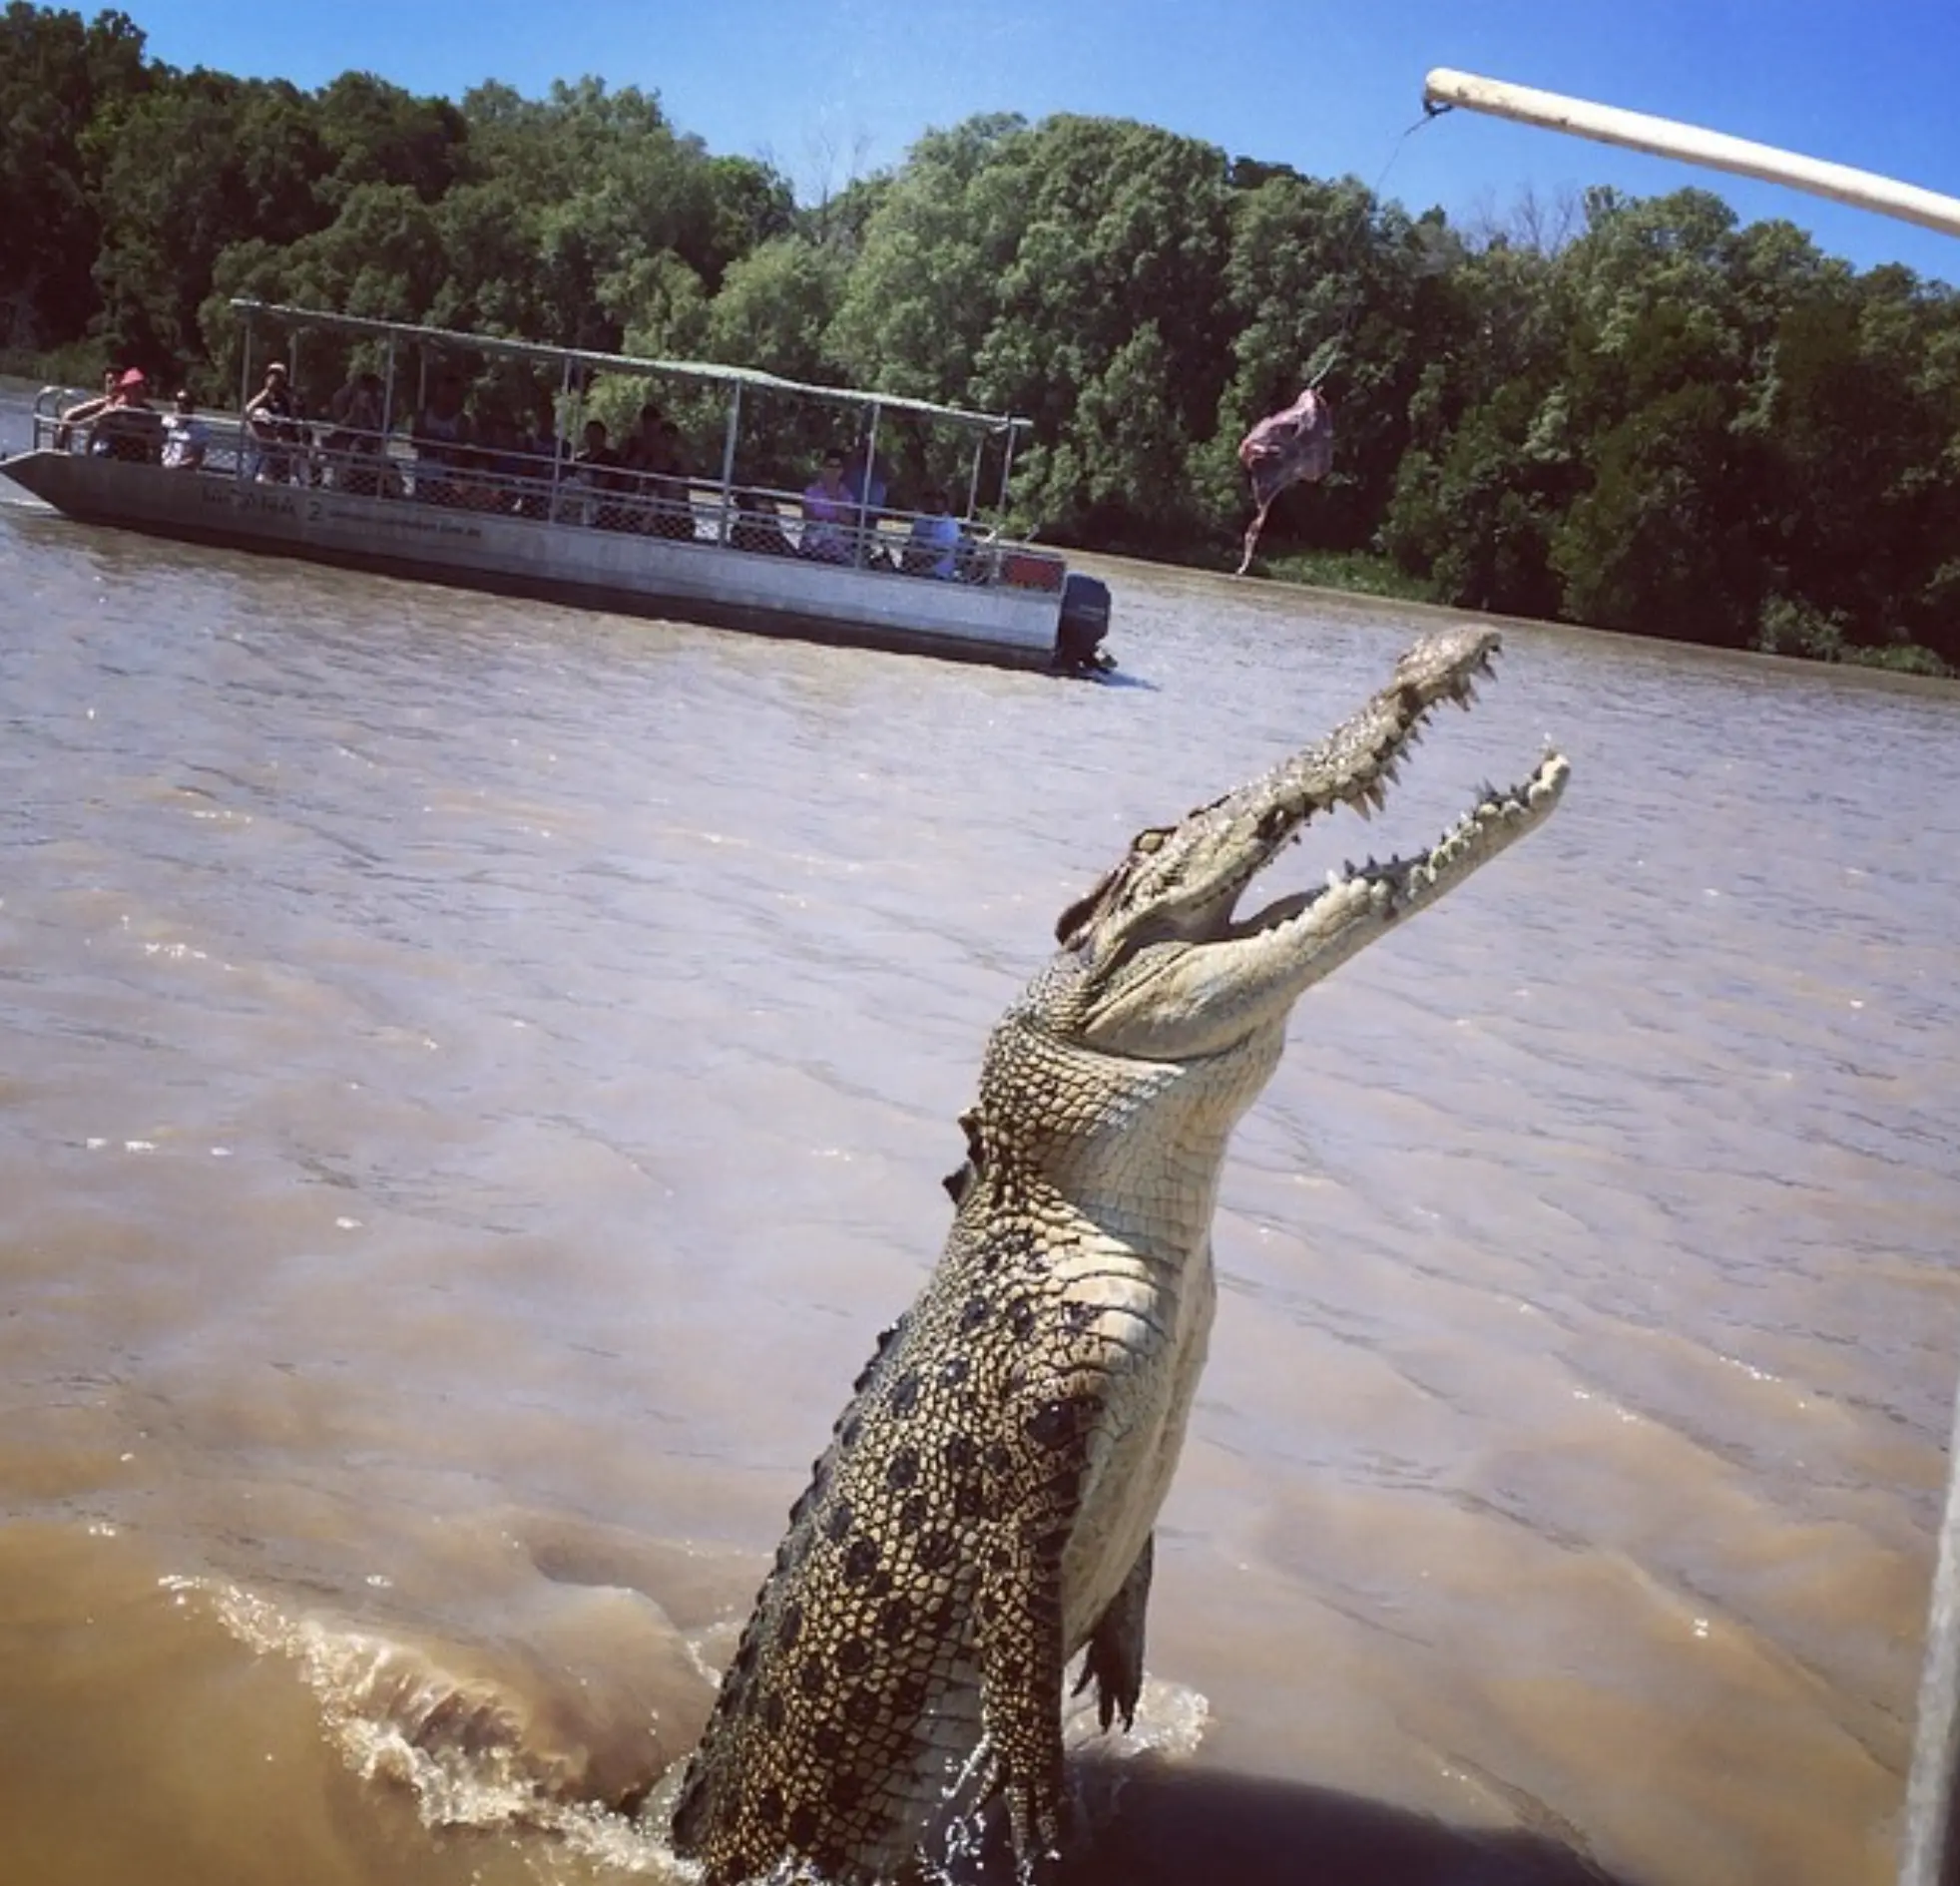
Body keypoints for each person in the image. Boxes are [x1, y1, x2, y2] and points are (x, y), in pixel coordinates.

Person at [244, 361, 306, 483]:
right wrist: (267, 390)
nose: (274, 379)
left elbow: (295, 418)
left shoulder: (289, 395)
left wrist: (286, 395)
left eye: (278, 376)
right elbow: (247, 411)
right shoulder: (264, 396)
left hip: (285, 444)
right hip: (266, 446)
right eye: (271, 374)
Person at [85, 368, 165, 464]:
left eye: (141, 386)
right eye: (134, 387)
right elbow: (96, 428)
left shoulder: (149, 413)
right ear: (126, 389)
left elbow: (156, 438)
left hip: (138, 457)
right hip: (113, 454)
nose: (139, 390)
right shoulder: (114, 408)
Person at [574, 418, 632, 530]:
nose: (591, 437)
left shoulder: (612, 458)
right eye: (588, 433)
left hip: (603, 501)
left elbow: (605, 481)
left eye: (595, 433)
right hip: (580, 497)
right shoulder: (581, 459)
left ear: (603, 436)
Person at [799, 449, 853, 563]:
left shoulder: (847, 495)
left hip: (836, 549)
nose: (833, 471)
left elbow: (848, 520)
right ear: (823, 468)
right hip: (813, 545)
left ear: (842, 470)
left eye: (837, 467)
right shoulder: (812, 491)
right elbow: (806, 516)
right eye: (830, 466)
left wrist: (834, 498)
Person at [903, 487, 961, 579]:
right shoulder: (920, 520)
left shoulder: (950, 525)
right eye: (930, 499)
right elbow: (910, 543)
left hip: (938, 575)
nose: (932, 503)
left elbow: (941, 552)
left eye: (937, 500)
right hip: (913, 570)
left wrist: (921, 566)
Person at [730, 488, 792, 557]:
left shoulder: (770, 523)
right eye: (768, 502)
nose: (775, 507)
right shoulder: (749, 524)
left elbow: (784, 544)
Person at [160, 387, 210, 471]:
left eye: (186, 402)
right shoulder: (165, 421)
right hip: (162, 467)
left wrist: (178, 466)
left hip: (184, 471)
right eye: (178, 401)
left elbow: (198, 457)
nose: (181, 405)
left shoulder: (199, 429)